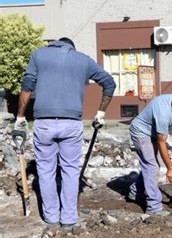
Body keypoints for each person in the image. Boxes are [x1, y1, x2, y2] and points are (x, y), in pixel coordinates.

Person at [14, 37, 116, 228]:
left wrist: (20, 117)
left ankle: (51, 218)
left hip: (44, 123)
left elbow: (27, 86)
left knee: (45, 171)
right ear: (71, 47)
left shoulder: (38, 55)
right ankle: (68, 219)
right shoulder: (82, 59)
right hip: (71, 123)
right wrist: (100, 113)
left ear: (54, 44)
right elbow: (109, 83)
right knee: (70, 171)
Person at [128, 91, 172, 215]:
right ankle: (154, 208)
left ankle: (135, 191)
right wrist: (170, 168)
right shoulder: (163, 114)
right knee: (152, 167)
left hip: (151, 131)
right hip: (141, 133)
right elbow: (161, 142)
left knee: (150, 166)